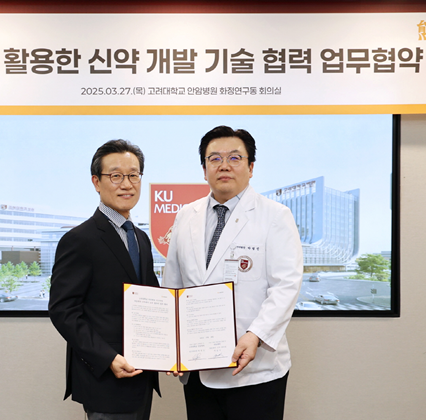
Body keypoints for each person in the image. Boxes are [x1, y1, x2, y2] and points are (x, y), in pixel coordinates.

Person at [163, 126, 303, 420]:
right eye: (214, 158)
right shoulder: (186, 215)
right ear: (204, 170)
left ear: (251, 168)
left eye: (235, 158)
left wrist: (256, 336)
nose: (224, 165)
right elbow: (173, 284)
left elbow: (286, 286)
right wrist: (171, 346)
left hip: (254, 370)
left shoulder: (275, 215)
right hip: (198, 366)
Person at [49, 139, 160, 420]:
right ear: (96, 182)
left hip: (142, 376)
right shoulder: (79, 239)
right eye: (116, 176)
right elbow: (63, 311)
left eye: (133, 175)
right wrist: (108, 357)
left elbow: (153, 300)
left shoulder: (141, 238)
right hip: (105, 379)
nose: (127, 184)